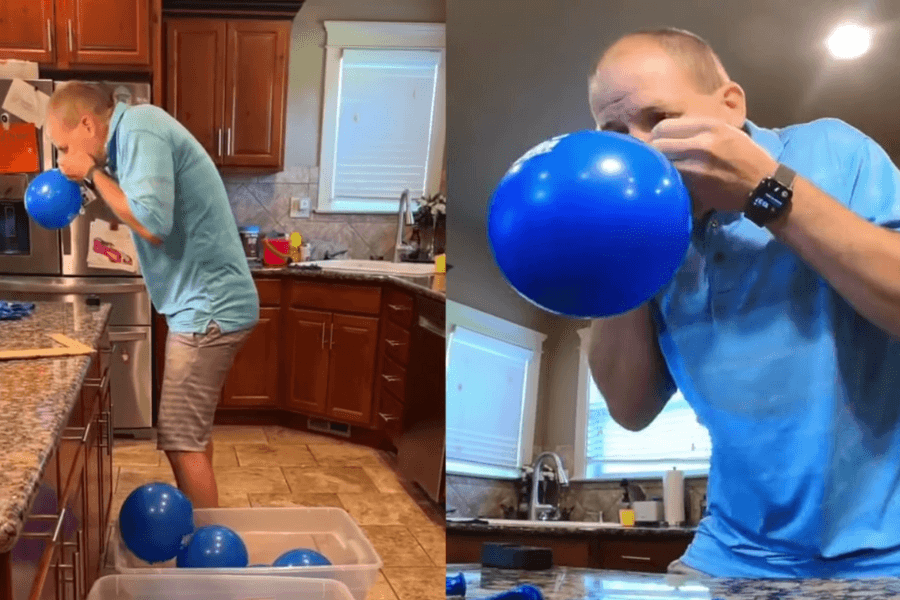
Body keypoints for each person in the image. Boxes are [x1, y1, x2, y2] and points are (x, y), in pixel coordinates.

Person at [587, 28, 900, 578]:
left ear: (729, 105)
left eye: (659, 119)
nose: (638, 147)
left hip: (886, 556)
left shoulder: (833, 150)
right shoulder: (653, 234)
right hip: (731, 553)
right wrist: (620, 248)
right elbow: (629, 410)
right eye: (615, 133)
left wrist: (765, 191)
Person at [45, 82, 259, 509]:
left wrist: (90, 172)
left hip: (208, 308)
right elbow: (142, 211)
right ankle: (205, 539)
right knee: (191, 435)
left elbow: (151, 223)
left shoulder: (141, 128)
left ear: (88, 124)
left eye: (65, 146)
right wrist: (96, 180)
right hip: (200, 306)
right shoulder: (129, 141)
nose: (64, 160)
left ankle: (205, 558)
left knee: (180, 440)